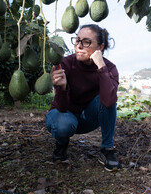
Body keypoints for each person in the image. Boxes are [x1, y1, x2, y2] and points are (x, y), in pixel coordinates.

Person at [45, 24, 121, 171]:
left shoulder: (110, 68)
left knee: (106, 96)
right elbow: (61, 107)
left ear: (100, 47)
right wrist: (62, 87)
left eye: (86, 42)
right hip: (63, 115)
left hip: (86, 119)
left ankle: (107, 150)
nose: (79, 46)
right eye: (77, 40)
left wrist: (101, 66)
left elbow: (109, 102)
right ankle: (61, 144)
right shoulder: (65, 63)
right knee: (64, 125)